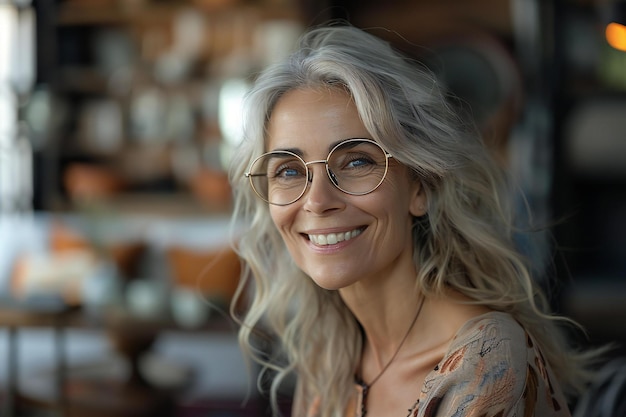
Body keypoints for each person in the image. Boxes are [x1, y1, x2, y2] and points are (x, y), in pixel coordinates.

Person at [228, 24, 594, 417]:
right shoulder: (330, 357)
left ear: (419, 186)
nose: (317, 201)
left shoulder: (485, 361)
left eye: (356, 161)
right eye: (288, 170)